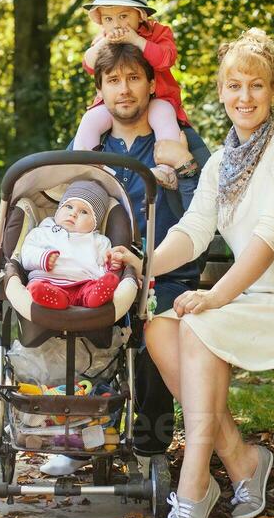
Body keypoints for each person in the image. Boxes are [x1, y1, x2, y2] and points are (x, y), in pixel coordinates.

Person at [112, 28, 274, 518]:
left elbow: (272, 237)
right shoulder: (220, 162)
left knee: (198, 324)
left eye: (257, 86)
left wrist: (217, 296)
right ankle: (241, 460)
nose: (245, 97)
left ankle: (195, 482)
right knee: (159, 328)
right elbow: (193, 233)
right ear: (220, 92)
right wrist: (141, 261)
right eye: (234, 85)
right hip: (255, 299)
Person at [40, 42, 211, 477]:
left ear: (152, 84)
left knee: (155, 334)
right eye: (113, 80)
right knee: (83, 332)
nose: (124, 89)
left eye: (134, 78)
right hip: (100, 267)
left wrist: (185, 168)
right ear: (100, 90)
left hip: (166, 270)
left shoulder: (178, 139)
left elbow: (211, 206)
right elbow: (59, 200)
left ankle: (150, 445)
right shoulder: (92, 145)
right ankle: (84, 434)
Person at [73, 0, 200, 189]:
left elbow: (166, 59)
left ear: (140, 15)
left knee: (163, 115)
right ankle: (86, 170)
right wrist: (105, 43)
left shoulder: (157, 33)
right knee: (91, 120)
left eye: (124, 16)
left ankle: (167, 171)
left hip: (156, 97)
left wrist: (137, 40)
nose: (117, 25)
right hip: (115, 105)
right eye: (109, 19)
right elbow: (89, 63)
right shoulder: (104, 38)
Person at [20, 180, 120, 310]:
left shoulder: (99, 241)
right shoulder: (41, 232)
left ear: (95, 222)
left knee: (94, 287)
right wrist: (42, 258)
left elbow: (104, 265)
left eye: (84, 212)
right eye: (68, 207)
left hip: (82, 284)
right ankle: (57, 298)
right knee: (37, 287)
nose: (73, 213)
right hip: (47, 281)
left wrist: (112, 266)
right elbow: (26, 254)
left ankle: (93, 297)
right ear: (59, 209)